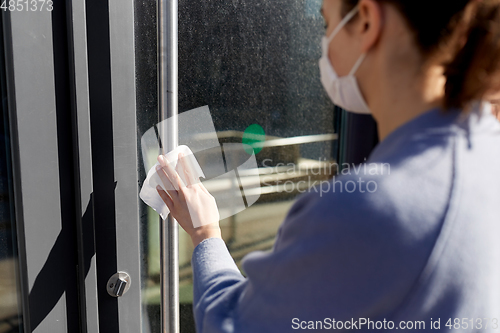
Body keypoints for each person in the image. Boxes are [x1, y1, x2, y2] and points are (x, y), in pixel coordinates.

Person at [155, 0, 500, 331]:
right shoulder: (485, 151)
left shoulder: (368, 210)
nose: (324, 40)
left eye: (327, 22)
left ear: (365, 20)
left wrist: (205, 234)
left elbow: (230, 325)